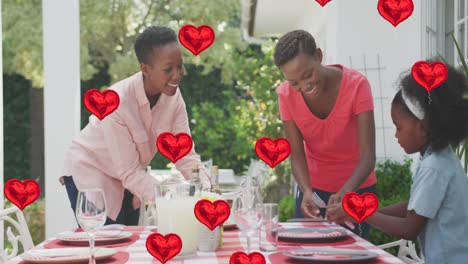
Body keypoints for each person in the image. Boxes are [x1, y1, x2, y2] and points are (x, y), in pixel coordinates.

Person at [60, 26, 211, 225]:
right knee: (104, 246)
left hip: (126, 175)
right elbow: (130, 172)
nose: (177, 75)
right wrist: (173, 200)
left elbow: (185, 154)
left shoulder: (174, 97)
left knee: (127, 244)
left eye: (180, 66)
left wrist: (208, 190)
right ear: (145, 69)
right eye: (168, 69)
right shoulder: (116, 102)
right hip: (91, 170)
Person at [328, 61, 468, 264]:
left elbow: (409, 228)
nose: (396, 135)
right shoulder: (440, 158)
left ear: (423, 126)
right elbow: (413, 208)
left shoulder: (434, 167)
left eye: (398, 127)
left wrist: (360, 213)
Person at [273, 29, 377, 238]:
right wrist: (307, 191)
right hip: (314, 192)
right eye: (294, 83)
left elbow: (368, 156)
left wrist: (346, 193)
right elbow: (297, 154)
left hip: (356, 190)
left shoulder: (357, 85)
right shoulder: (285, 95)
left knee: (351, 257)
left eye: (307, 75)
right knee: (305, 256)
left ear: (319, 56)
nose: (304, 86)